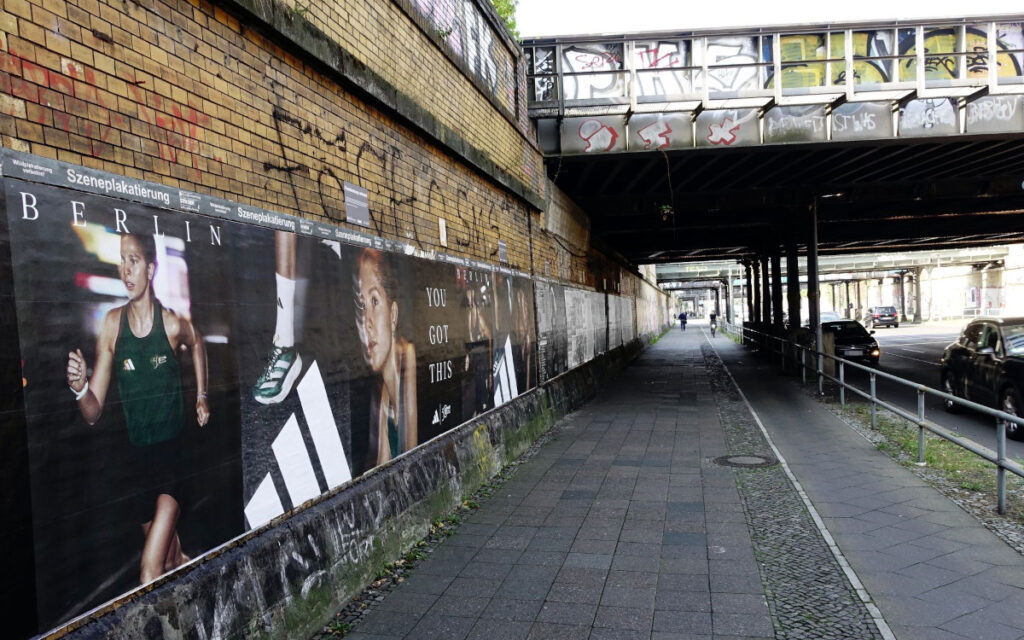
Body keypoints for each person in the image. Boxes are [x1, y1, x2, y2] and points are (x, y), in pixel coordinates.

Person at [65, 232, 209, 585]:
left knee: (149, 574)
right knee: (172, 558)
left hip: (173, 460)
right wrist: (80, 387)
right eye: (122, 261)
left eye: (134, 260)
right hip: (136, 466)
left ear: (151, 269)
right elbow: (93, 411)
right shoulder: (112, 325)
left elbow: (198, 342)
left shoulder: (172, 324)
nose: (126, 270)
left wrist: (202, 395)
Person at [355, 248, 417, 467]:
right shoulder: (383, 394)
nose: (367, 322)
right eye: (362, 305)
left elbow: (412, 460)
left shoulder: (408, 358)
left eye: (374, 301)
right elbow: (384, 463)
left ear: (393, 315)